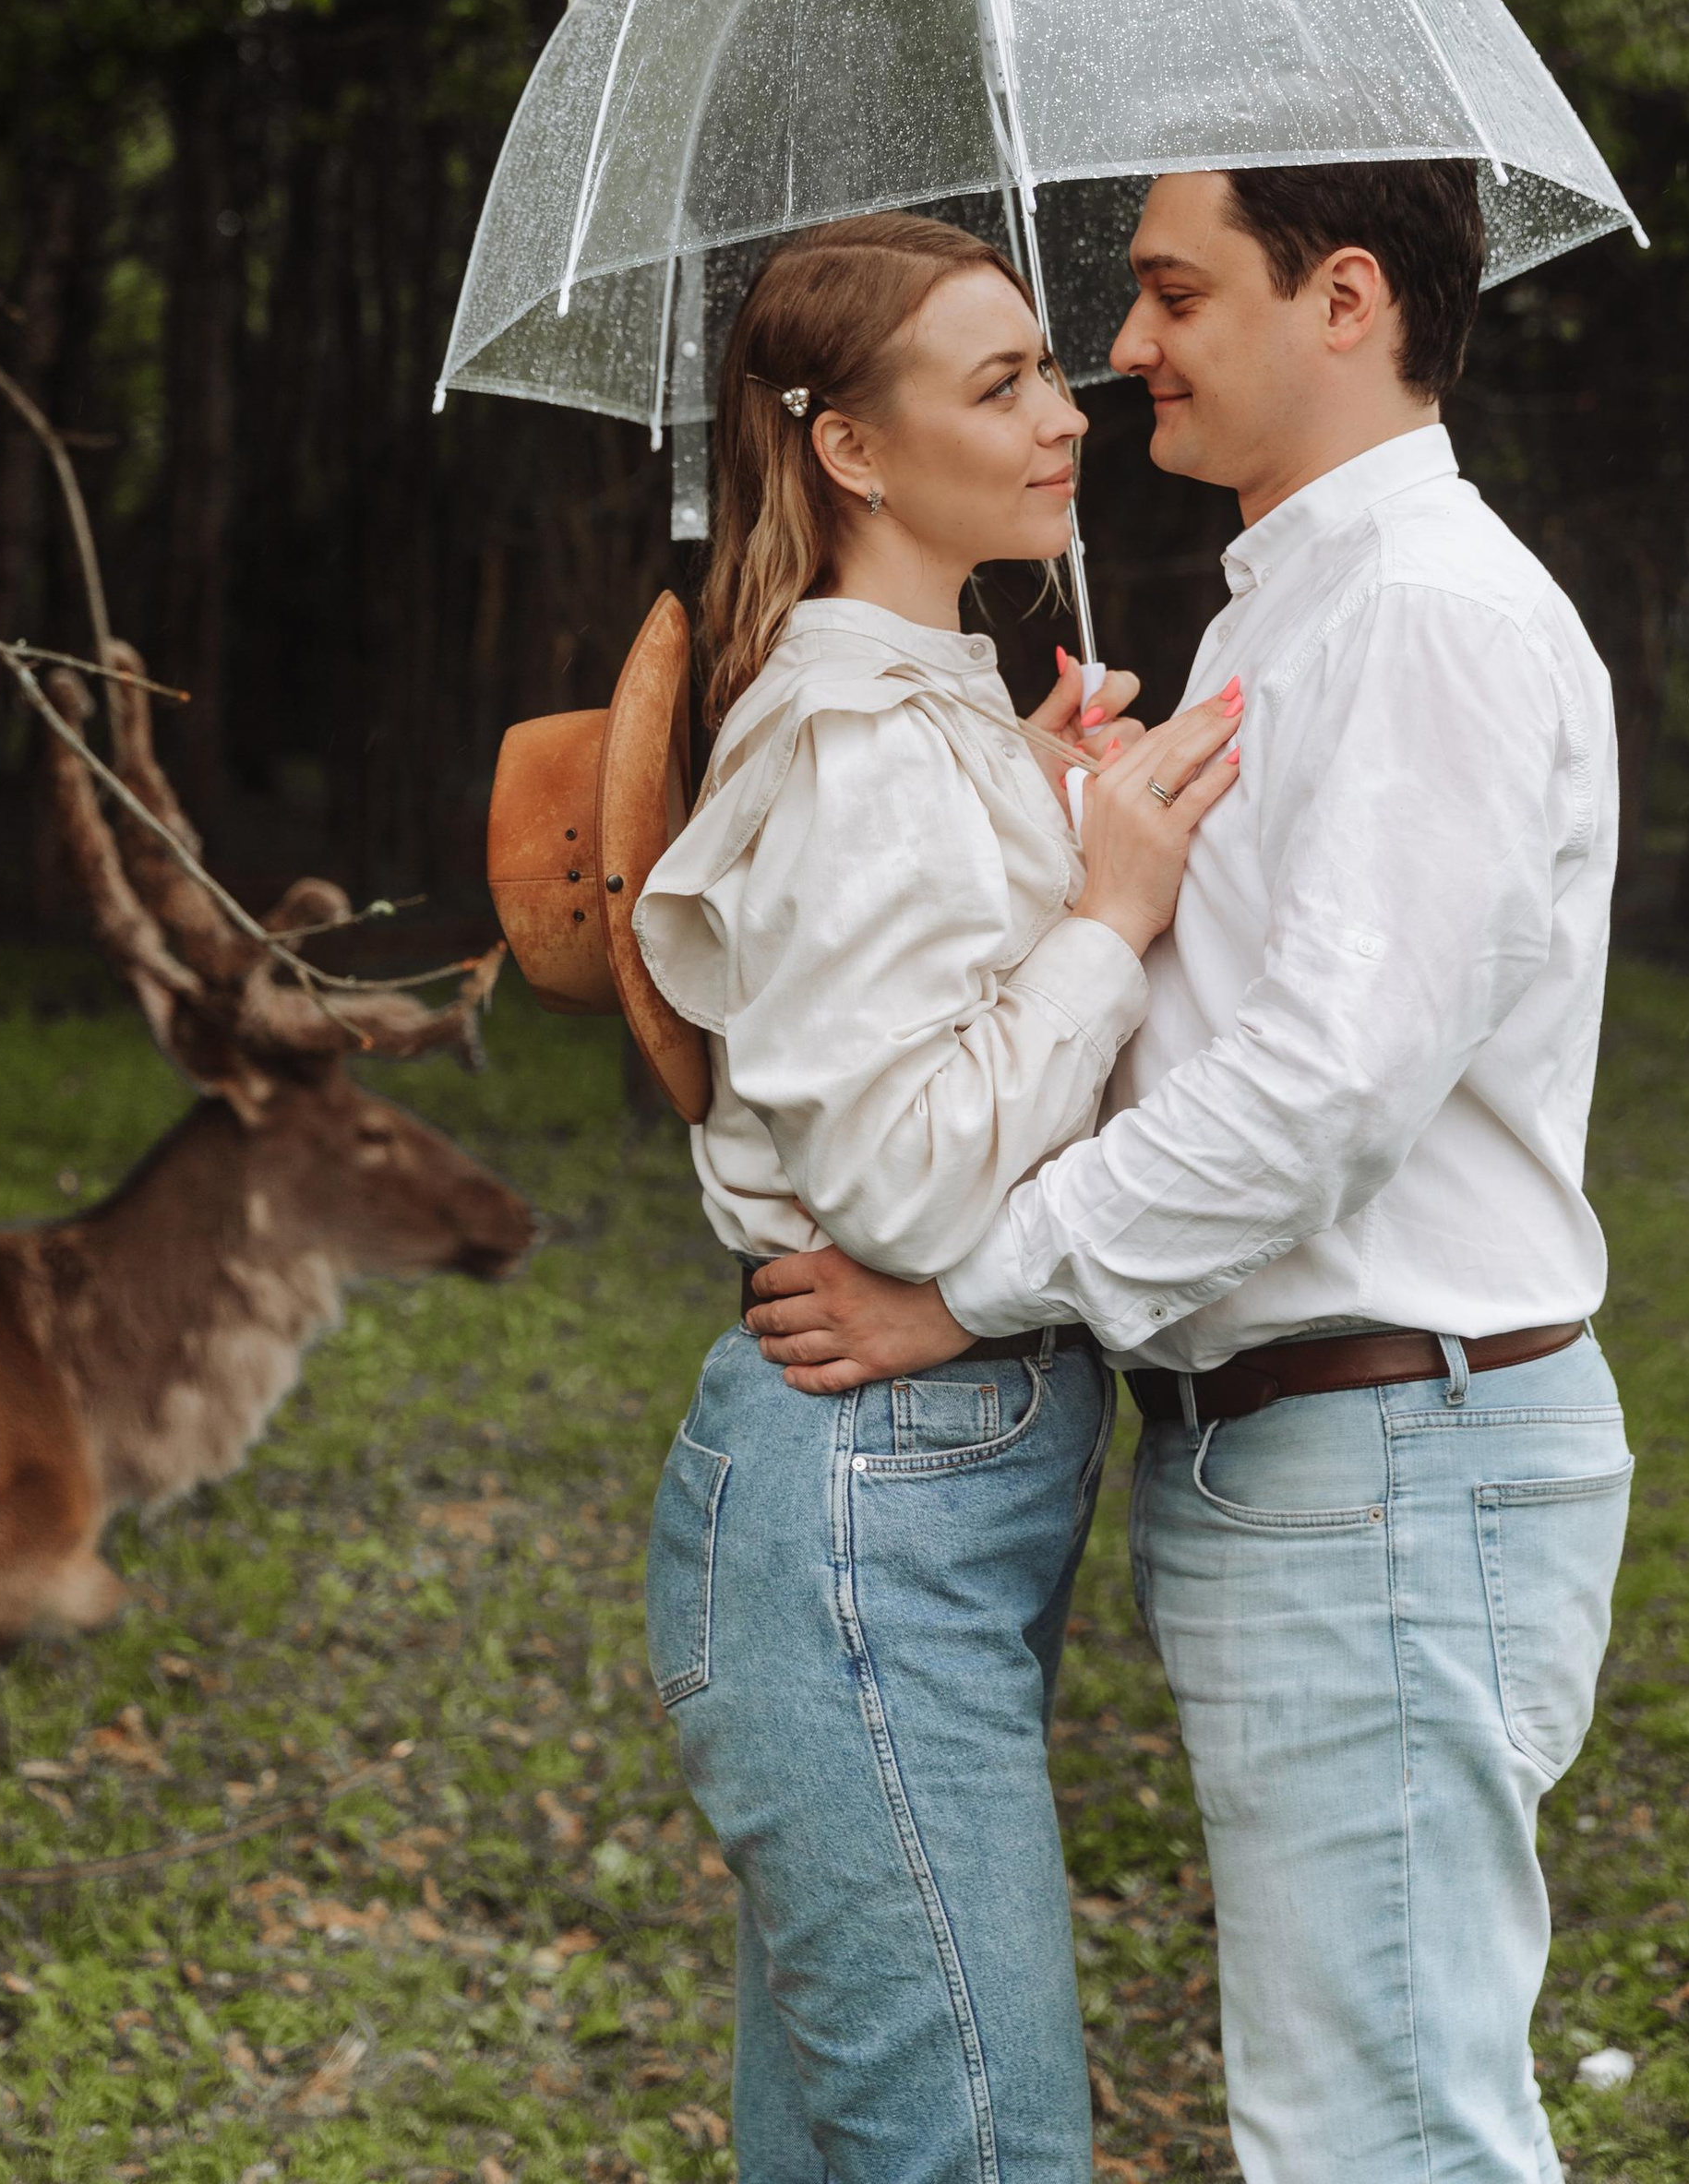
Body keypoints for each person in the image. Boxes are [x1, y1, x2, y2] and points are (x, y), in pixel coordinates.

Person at [749, 162, 1631, 2184]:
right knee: (1347, 2110)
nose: (1120, 348)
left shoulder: (1418, 614)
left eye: (1165, 293)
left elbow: (1321, 1092)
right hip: (1314, 1455)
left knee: (1376, 2134)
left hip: (1389, 1444)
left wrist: (966, 1287)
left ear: (1339, 300)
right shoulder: (1294, 601)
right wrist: (1064, 841)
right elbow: (1236, 1007)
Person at [632, 209, 1242, 2184]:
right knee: (967, 2146)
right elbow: (896, 1182)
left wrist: (1032, 790)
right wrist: (1104, 913)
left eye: (1045, 369)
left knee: (854, 2144)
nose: (1060, 414)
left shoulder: (927, 721)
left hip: (904, 1496)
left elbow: (909, 1013)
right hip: (861, 1501)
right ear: (852, 451)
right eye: (994, 386)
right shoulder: (855, 743)